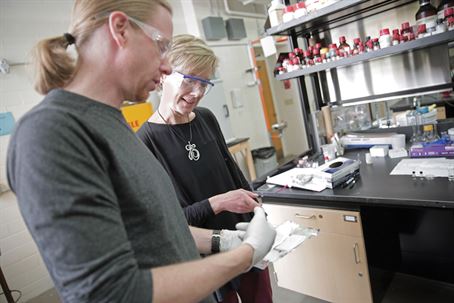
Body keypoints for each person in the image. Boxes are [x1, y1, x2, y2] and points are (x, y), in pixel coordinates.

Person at [6, 1, 276, 303]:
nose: (166, 67)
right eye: (161, 46)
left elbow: (163, 229)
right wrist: (245, 256)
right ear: (120, 29)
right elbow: (109, 294)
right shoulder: (51, 134)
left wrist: (224, 241)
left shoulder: (113, 125)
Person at [137, 35, 273, 303]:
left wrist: (260, 213)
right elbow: (169, 225)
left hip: (245, 238)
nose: (197, 92)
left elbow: (233, 173)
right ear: (164, 75)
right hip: (206, 259)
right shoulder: (145, 142)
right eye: (189, 80)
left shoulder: (207, 118)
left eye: (204, 84)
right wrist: (218, 202)